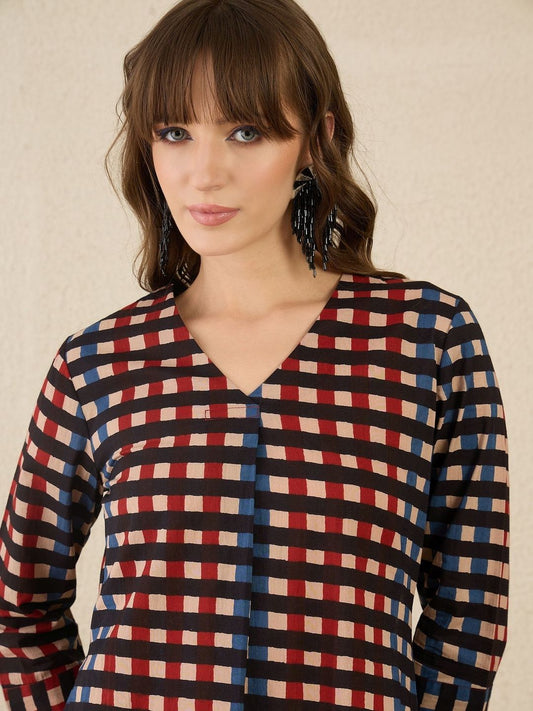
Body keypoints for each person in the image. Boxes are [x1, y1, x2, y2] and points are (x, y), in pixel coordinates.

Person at [0, 0, 509, 709]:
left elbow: (468, 613)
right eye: (174, 132)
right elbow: (21, 608)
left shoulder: (427, 340)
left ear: (314, 140)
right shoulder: (99, 363)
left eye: (246, 131)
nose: (205, 173)